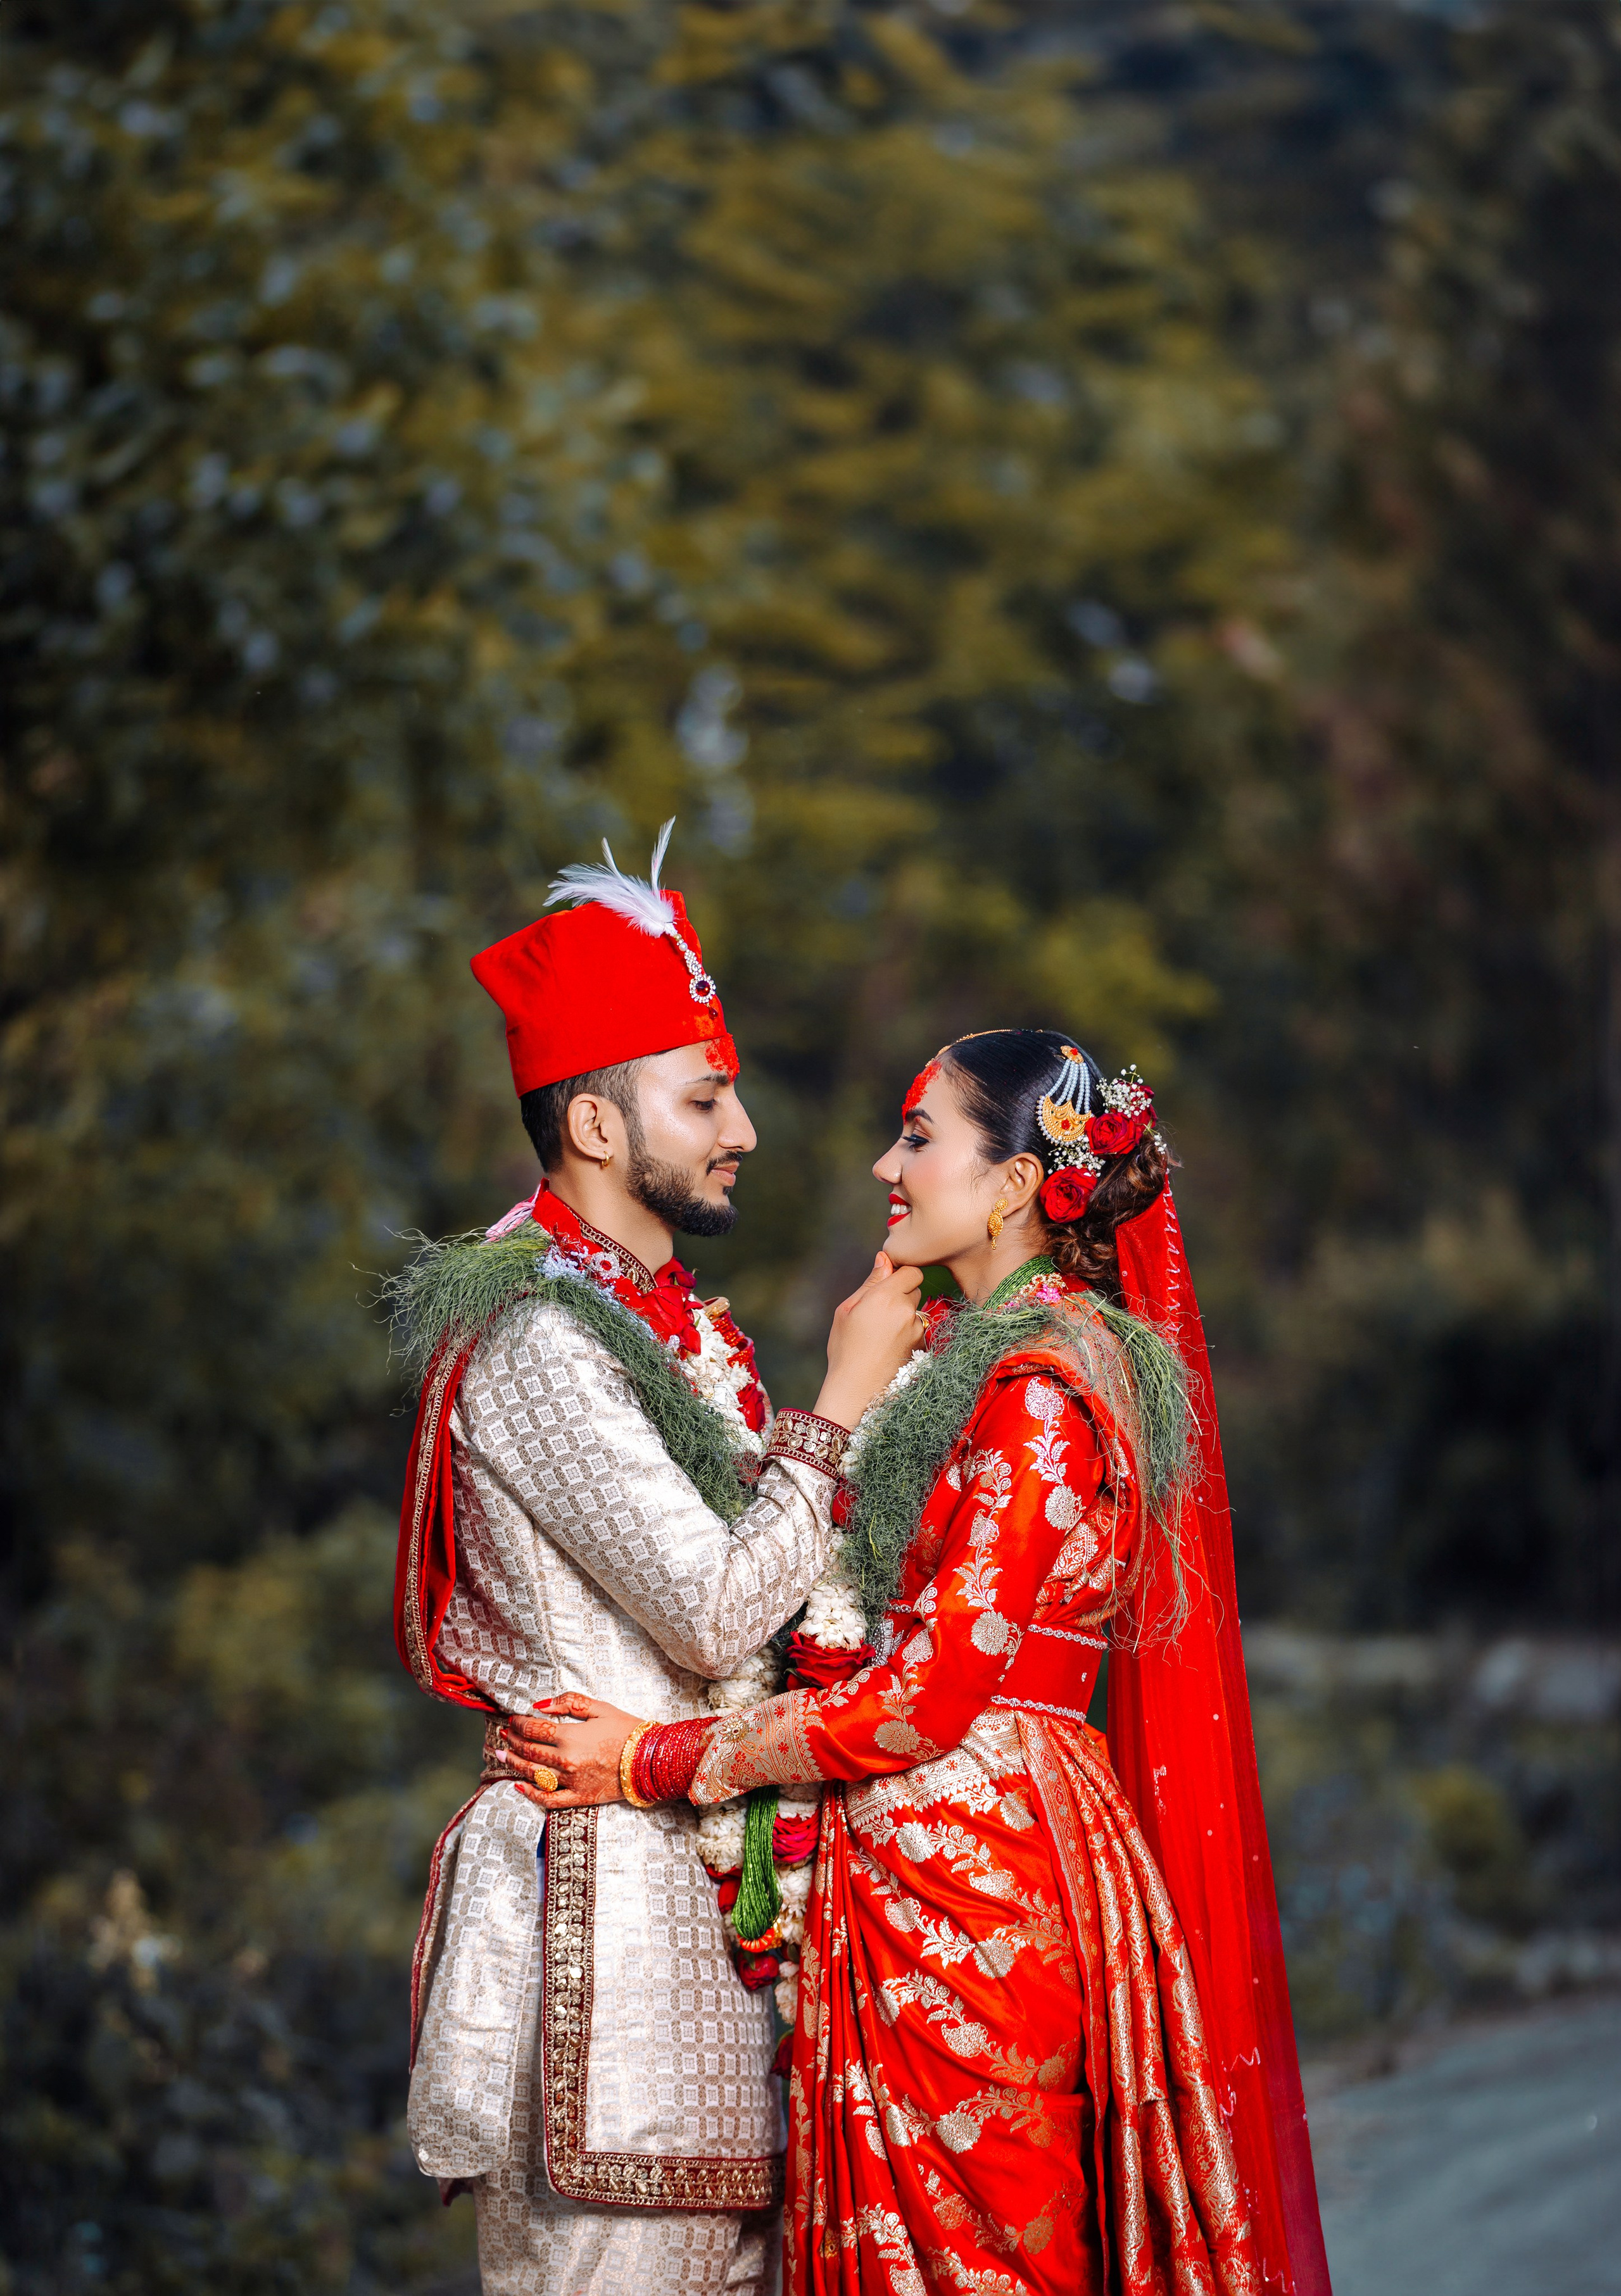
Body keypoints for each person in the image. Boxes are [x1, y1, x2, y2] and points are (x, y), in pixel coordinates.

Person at [495, 1029, 1333, 2296]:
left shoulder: (1044, 1382)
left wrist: (653, 1758)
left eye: (921, 1134)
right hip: (918, 1865)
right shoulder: (965, 1357)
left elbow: (929, 1695)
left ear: (1010, 1183)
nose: (888, 1161)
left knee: (990, 2253)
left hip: (978, 1885)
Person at [391, 822, 921, 2296]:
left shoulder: (675, 1321)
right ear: (597, 1126)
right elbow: (709, 1607)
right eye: (704, 1095)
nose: (741, 1124)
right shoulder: (537, 1332)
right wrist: (840, 1400)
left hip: (727, 1916)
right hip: (604, 1938)